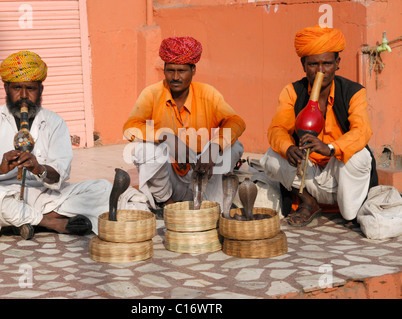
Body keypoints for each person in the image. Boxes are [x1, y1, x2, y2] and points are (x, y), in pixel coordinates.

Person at [0, 51, 119, 242]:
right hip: (2, 192)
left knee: (102, 189)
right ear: (6, 88)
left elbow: (61, 173)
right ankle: (51, 222)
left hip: (44, 195)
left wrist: (39, 168)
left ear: (41, 89)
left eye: (31, 88)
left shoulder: (54, 122)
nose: (24, 96)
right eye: (17, 88)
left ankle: (22, 220)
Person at [260, 25, 378, 226]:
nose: (320, 71)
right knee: (271, 157)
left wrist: (331, 148)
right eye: (314, 64)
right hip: (307, 172)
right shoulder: (292, 91)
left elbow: (362, 130)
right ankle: (308, 201)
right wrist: (288, 148)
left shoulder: (353, 91)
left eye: (327, 64)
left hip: (338, 171)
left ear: (337, 63)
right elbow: (277, 129)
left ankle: (348, 208)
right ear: (303, 65)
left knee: (361, 156)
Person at [123, 36, 246, 216]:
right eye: (170, 70)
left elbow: (236, 121)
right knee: (143, 149)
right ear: (164, 70)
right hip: (171, 177)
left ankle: (211, 204)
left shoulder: (208, 93)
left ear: (193, 70)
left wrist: (214, 147)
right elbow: (130, 127)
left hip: (204, 171)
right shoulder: (152, 93)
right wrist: (167, 137)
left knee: (234, 146)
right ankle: (167, 203)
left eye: (181, 71)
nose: (175, 77)